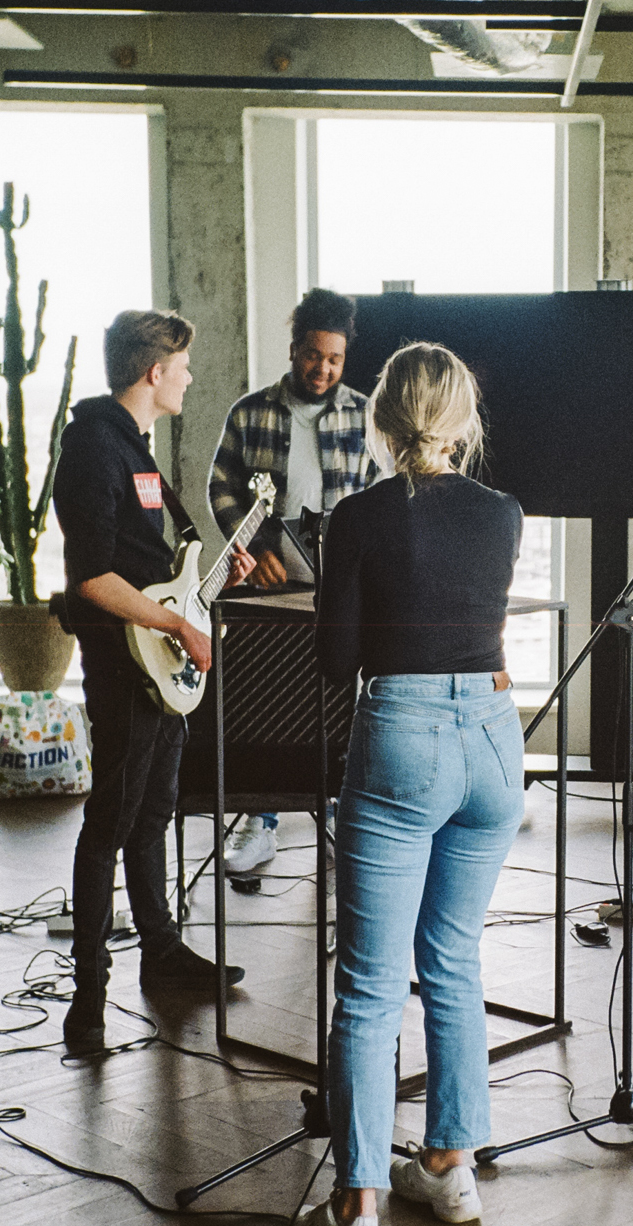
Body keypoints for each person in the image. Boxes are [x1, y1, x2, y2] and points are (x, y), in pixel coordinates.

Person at [289, 343, 525, 1226]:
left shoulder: (358, 517)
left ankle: (354, 1216)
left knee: (371, 984)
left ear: (381, 421)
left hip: (403, 735)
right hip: (496, 740)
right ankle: (453, 1167)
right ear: (465, 422)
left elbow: (335, 660)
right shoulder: (504, 513)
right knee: (455, 958)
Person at [51, 309, 255, 1042]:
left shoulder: (132, 448)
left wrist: (211, 586)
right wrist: (178, 625)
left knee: (152, 814)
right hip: (123, 665)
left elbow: (154, 574)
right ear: (154, 372)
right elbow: (92, 581)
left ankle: (161, 951)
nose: (191, 377)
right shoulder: (94, 448)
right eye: (184, 365)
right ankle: (89, 994)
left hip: (158, 667)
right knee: (109, 820)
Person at [208, 289, 381, 877]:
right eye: (313, 355)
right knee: (265, 698)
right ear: (293, 349)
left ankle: (335, 813)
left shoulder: (366, 414)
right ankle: (262, 822)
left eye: (334, 359)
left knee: (339, 696)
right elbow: (221, 487)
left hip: (342, 586)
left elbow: (383, 496)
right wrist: (253, 545)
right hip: (268, 585)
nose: (323, 368)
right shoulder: (249, 412)